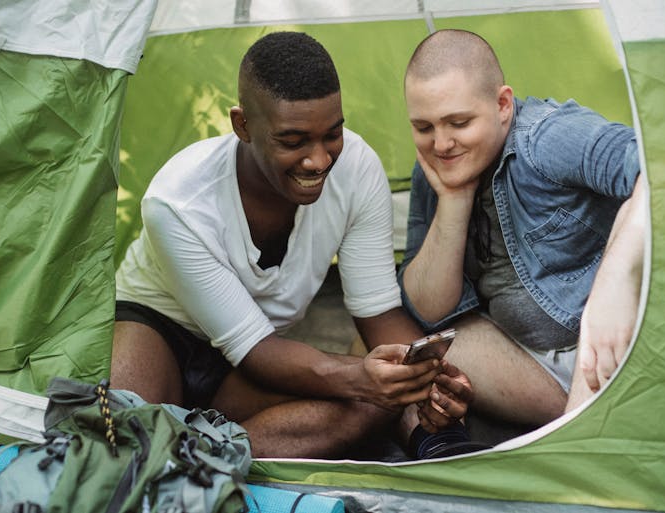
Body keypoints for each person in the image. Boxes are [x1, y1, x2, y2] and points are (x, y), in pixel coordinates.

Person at [110, 31, 473, 459]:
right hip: (161, 330)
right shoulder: (177, 202)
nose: (319, 160)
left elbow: (376, 310)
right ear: (242, 125)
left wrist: (428, 380)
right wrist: (363, 376)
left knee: (374, 402)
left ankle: (197, 455)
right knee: (122, 432)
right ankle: (199, 452)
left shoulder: (357, 168)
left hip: (252, 360)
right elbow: (252, 348)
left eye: (332, 134)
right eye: (292, 141)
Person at [398, 29, 646, 432]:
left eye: (458, 122)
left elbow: (660, 167)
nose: (441, 143)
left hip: (612, 343)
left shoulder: (546, 137)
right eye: (424, 128)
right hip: (533, 363)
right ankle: (578, 426)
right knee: (394, 348)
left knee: (632, 236)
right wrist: (454, 199)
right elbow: (430, 308)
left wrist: (614, 284)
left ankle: (577, 440)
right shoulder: (438, 167)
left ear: (502, 104)